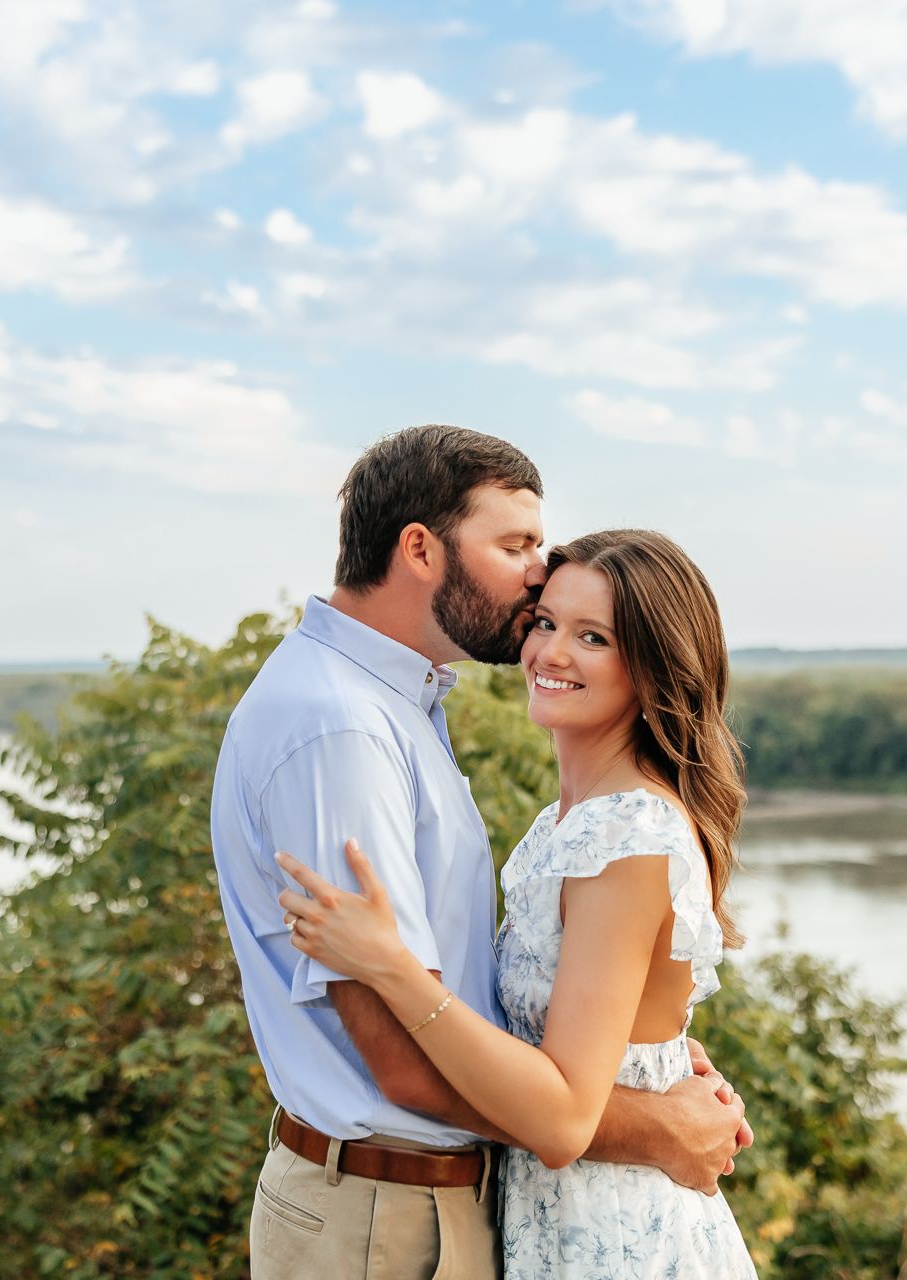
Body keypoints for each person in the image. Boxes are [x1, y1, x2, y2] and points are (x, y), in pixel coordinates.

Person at [210, 427, 750, 1279]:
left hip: (490, 1210)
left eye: (593, 635)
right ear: (420, 549)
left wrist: (646, 1047)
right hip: (385, 1216)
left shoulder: (403, 707)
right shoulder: (343, 727)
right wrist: (654, 1124)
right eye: (516, 547)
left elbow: (495, 997)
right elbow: (401, 1058)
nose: (534, 574)